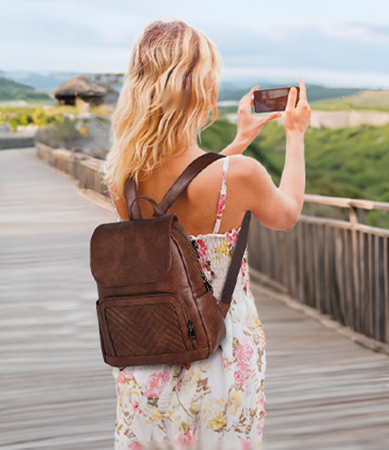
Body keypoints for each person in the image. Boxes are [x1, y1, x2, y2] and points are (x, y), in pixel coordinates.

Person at [102, 18, 310, 450]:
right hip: (220, 354)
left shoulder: (122, 176)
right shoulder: (242, 176)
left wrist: (237, 142)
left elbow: (173, 205)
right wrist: (294, 136)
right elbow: (287, 214)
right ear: (200, 88)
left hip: (147, 357)